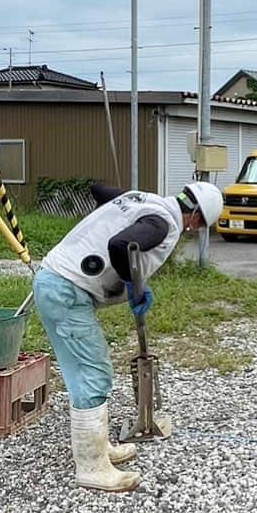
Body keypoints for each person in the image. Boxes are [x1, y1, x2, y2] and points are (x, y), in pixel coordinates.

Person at [32, 181, 223, 493]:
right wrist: (134, 286)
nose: (193, 230)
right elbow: (121, 245)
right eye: (198, 227)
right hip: (66, 291)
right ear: (197, 219)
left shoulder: (140, 199)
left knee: (87, 370)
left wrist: (107, 218)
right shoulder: (162, 224)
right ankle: (92, 468)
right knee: (92, 374)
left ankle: (98, 447)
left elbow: (98, 190)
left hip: (57, 282)